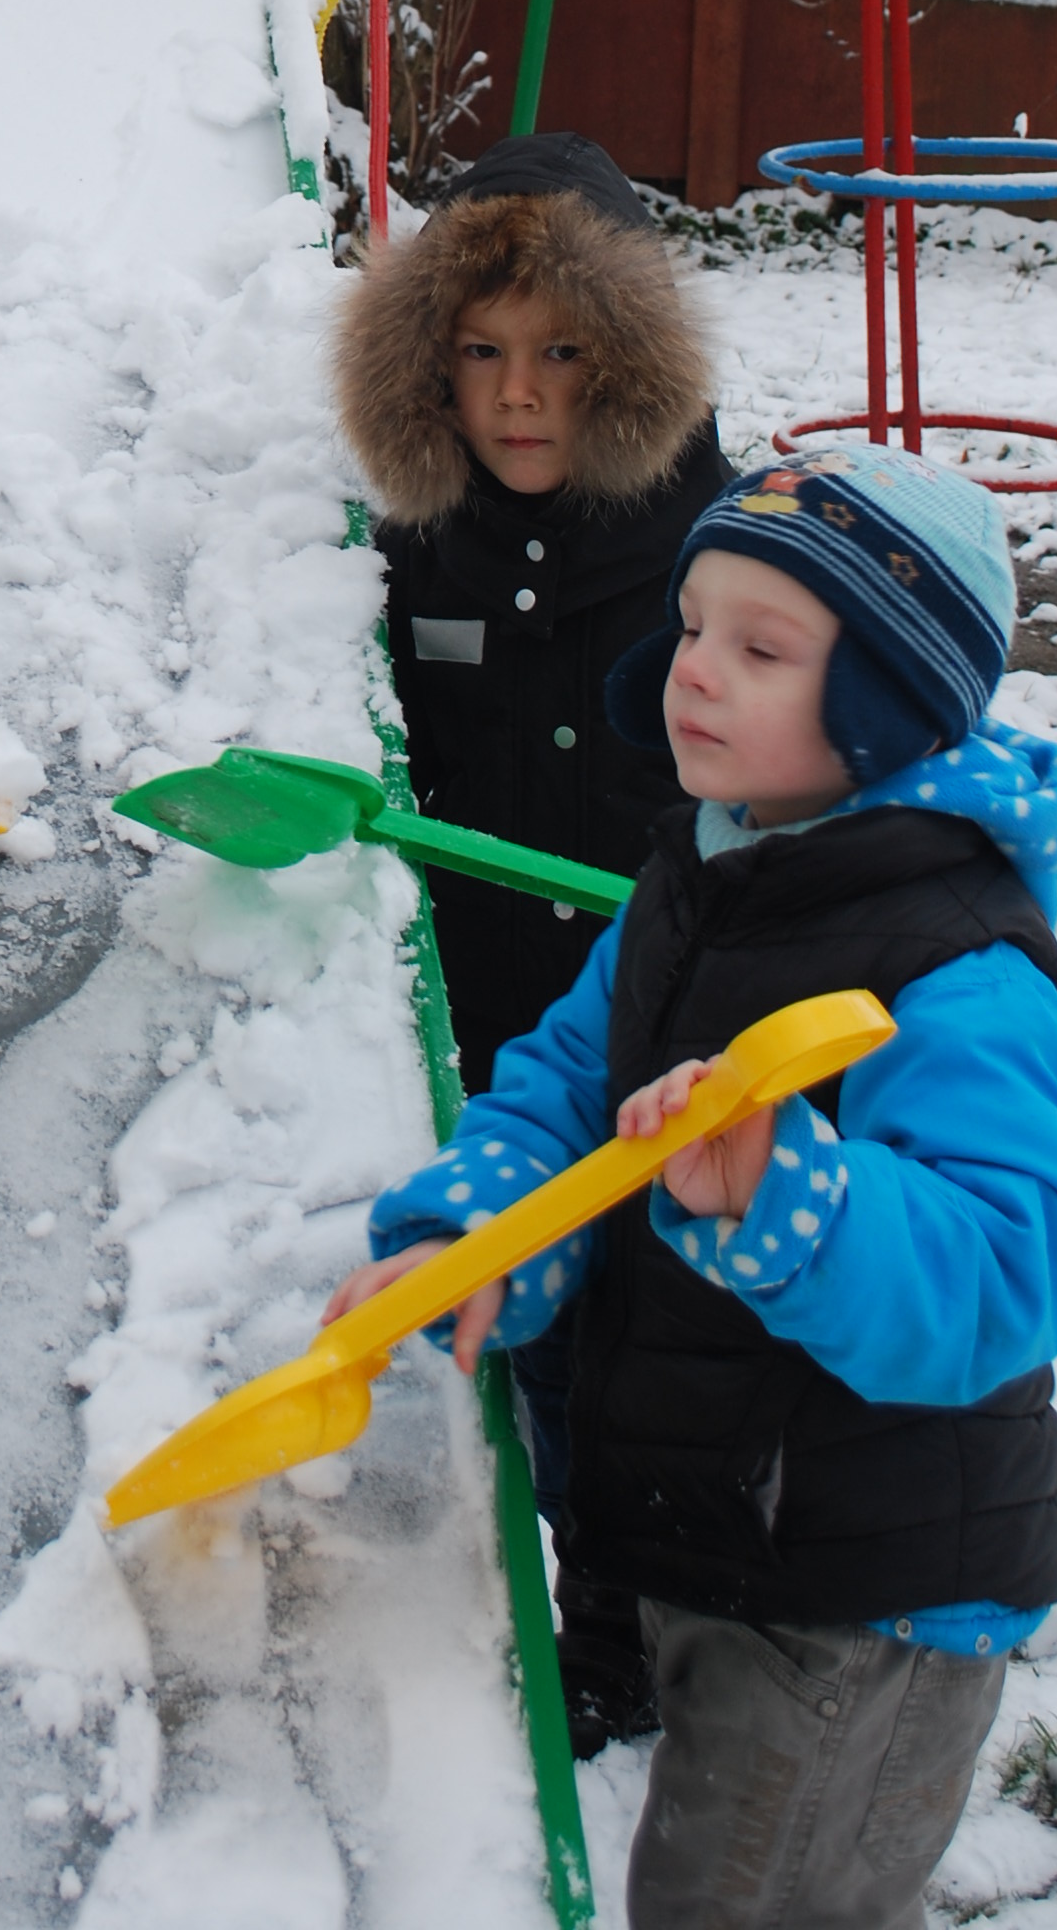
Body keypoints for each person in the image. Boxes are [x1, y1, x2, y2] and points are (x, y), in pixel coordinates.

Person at [320, 445, 1057, 1930]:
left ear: (883, 705)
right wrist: (479, 1234)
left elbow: (1015, 1266)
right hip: (725, 1526)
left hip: (857, 1600)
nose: (694, 672)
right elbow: (567, 1079)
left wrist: (791, 1201)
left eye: (762, 649)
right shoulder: (712, 863)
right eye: (693, 627)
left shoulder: (958, 966)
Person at [333, 130, 727, 1747]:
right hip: (504, 1029)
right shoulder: (415, 543)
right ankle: (595, 1623)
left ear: (626, 367)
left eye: (563, 356)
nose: (517, 395)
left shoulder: (712, 554)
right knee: (551, 1331)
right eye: (481, 356)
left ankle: (668, 1612)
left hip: (668, 1020)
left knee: (668, 1339)